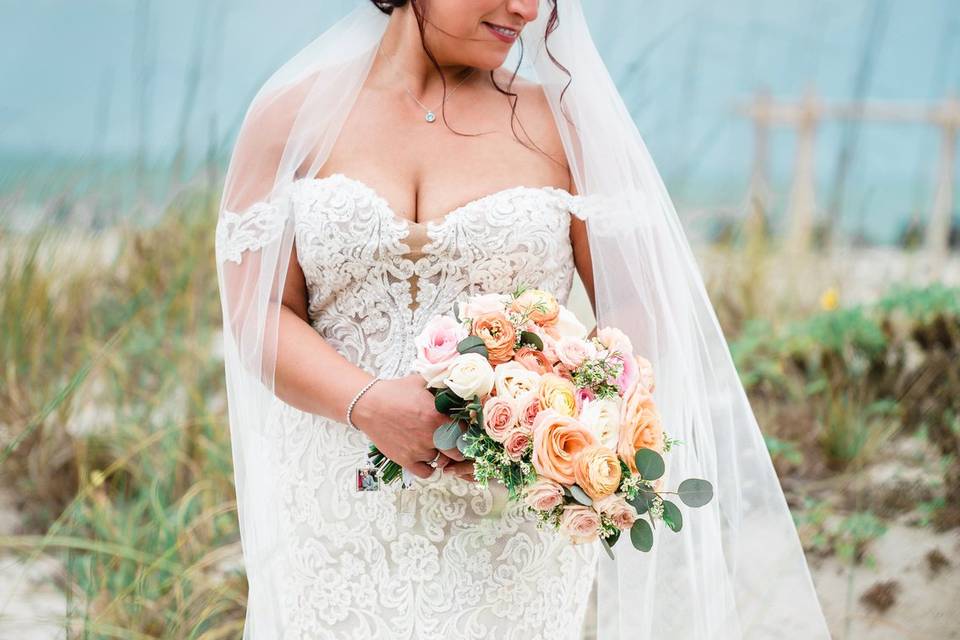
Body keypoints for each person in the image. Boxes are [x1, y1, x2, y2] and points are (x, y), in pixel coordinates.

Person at [213, 1, 833, 638]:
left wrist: (545, 415)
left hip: (508, 521)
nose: (527, 8)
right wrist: (368, 402)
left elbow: (635, 306)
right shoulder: (290, 119)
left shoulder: (562, 125)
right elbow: (258, 310)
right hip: (335, 509)